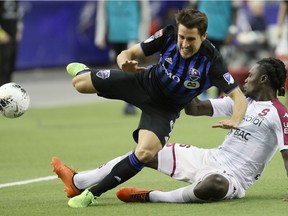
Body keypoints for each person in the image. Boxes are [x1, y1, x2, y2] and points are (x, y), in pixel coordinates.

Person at [54, 8, 247, 208]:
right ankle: (85, 72)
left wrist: (235, 119)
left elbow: (238, 96)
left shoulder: (213, 61)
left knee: (145, 153)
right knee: (79, 84)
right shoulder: (169, 34)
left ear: (204, 36)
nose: (184, 44)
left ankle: (91, 194)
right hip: (143, 82)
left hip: (164, 109)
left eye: (191, 39)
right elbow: (128, 53)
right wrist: (123, 64)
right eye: (182, 37)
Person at [52, 57, 288, 204]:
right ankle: (78, 181)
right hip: (208, 157)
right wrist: (189, 81)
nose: (245, 80)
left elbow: (287, 155)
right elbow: (194, 109)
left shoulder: (280, 113)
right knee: (146, 151)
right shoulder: (241, 102)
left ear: (264, 79)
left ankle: (152, 196)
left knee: (212, 185)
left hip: (232, 178)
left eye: (250, 76)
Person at [95, 0, 151, 115]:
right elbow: (102, 13)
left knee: (130, 68)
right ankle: (128, 100)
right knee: (119, 70)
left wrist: (143, 37)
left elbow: (145, 13)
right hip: (115, 35)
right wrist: (100, 35)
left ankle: (131, 103)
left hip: (132, 34)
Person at [0, 0, 22, 86]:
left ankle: (7, 91)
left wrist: (18, 30)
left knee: (10, 66)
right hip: (2, 37)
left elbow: (18, 14)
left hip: (12, 36)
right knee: (2, 67)